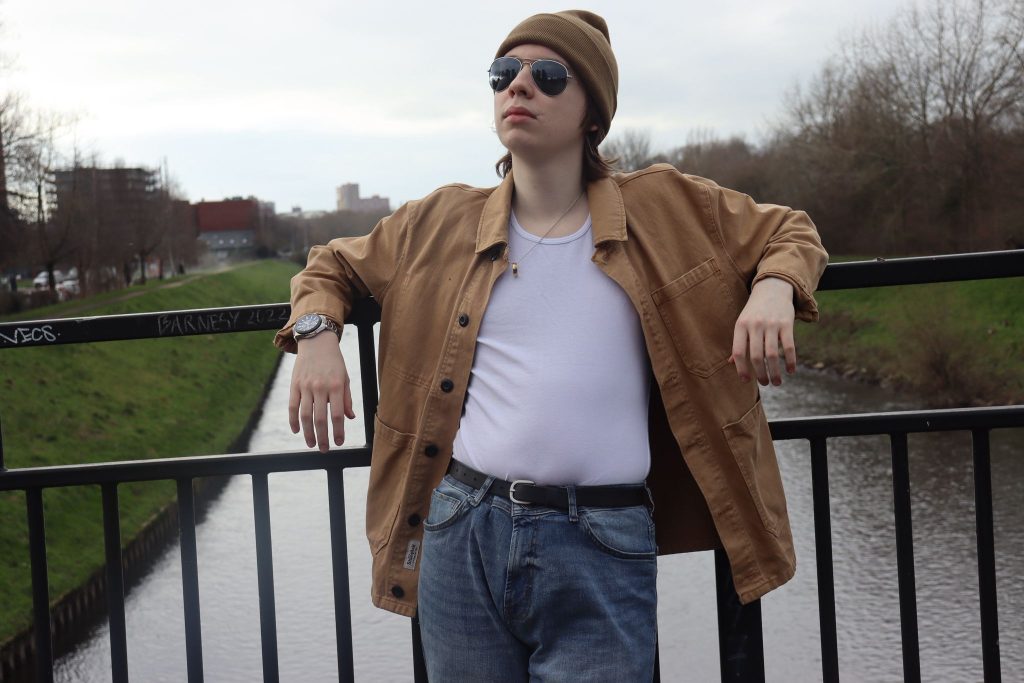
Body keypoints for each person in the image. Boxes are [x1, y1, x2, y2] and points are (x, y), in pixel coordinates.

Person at [275, 9, 828, 680]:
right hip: (462, 528)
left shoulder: (665, 206)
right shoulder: (439, 222)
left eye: (548, 75)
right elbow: (330, 266)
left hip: (601, 539)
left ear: (593, 112)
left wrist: (773, 288)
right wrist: (317, 336)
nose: (519, 86)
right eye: (504, 73)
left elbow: (791, 231)